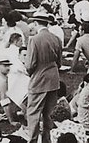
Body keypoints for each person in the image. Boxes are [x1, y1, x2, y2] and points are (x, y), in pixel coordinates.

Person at [26, 11, 63, 143]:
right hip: (53, 78)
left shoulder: (34, 40)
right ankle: (48, 139)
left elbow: (30, 64)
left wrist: (30, 73)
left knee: (33, 112)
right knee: (49, 113)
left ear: (36, 23)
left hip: (39, 78)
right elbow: (59, 62)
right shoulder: (56, 38)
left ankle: (33, 140)